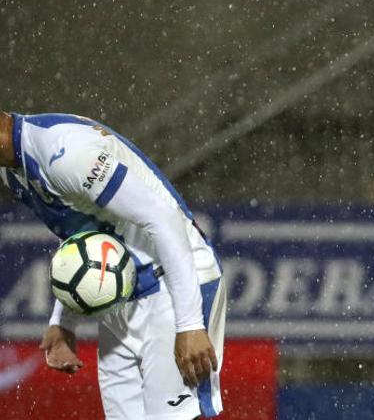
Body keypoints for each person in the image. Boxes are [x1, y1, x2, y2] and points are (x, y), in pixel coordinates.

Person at [0, 112, 225, 419]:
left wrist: (189, 323)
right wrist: (63, 320)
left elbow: (162, 218)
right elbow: (82, 236)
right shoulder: (11, 169)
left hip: (173, 287)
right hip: (119, 297)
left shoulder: (64, 152)